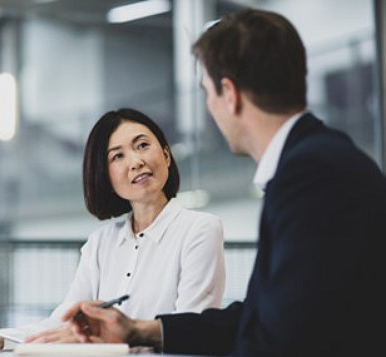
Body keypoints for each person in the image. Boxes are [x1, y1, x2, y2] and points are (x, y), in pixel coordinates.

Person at [59, 9, 386, 357]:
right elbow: (264, 317)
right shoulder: (314, 162)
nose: (209, 107)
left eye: (207, 92)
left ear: (229, 93)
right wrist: (140, 331)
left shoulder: (312, 175)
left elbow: (289, 338)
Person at [0, 108, 226, 350]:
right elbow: (61, 323)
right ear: (105, 176)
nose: (136, 161)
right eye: (117, 156)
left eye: (143, 145)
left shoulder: (200, 230)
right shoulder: (101, 244)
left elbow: (192, 333)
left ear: (166, 154)